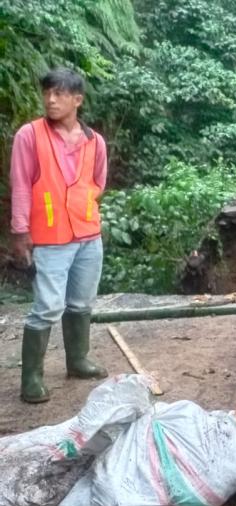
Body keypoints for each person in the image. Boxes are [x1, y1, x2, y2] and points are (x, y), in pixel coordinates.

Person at [10, 68, 108, 404]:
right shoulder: (30, 136)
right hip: (49, 239)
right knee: (48, 306)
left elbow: (98, 183)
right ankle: (32, 378)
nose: (51, 100)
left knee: (81, 302)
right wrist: (20, 231)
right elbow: (21, 185)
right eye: (47, 93)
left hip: (88, 236)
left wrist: (83, 209)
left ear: (77, 100)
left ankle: (77, 360)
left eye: (59, 94)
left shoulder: (95, 141)